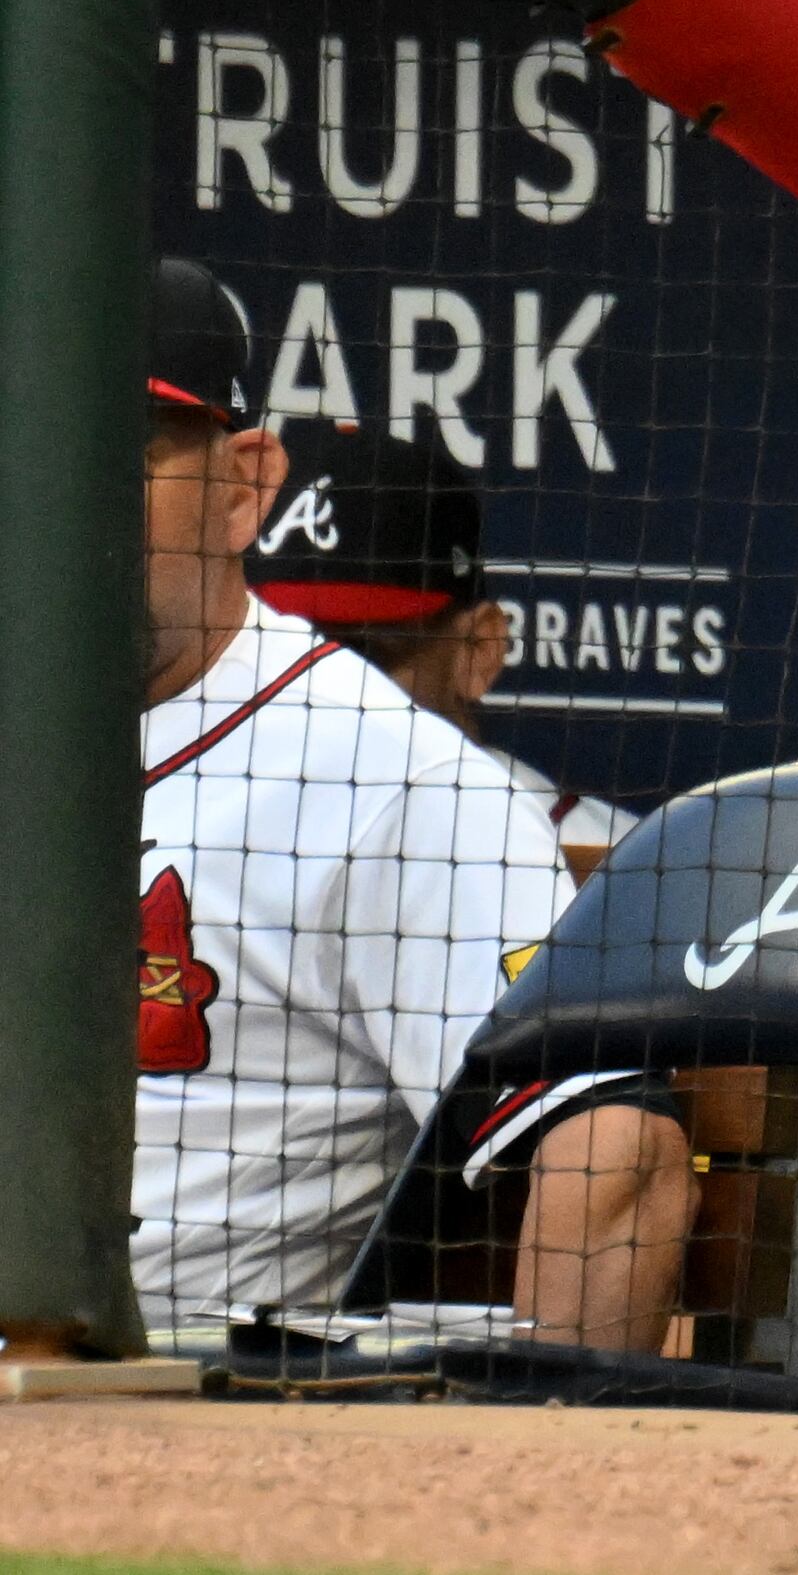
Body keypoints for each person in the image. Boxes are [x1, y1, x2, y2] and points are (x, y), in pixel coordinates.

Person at [134, 259, 691, 1352]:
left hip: (165, 1393)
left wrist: (545, 1462)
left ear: (245, 484)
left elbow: (614, 1148)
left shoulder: (394, 775)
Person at [247, 420, 640, 883]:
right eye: (271, 654)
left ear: (477, 652)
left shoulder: (626, 871)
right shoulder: (165, 832)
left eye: (359, 656)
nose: (308, 691)